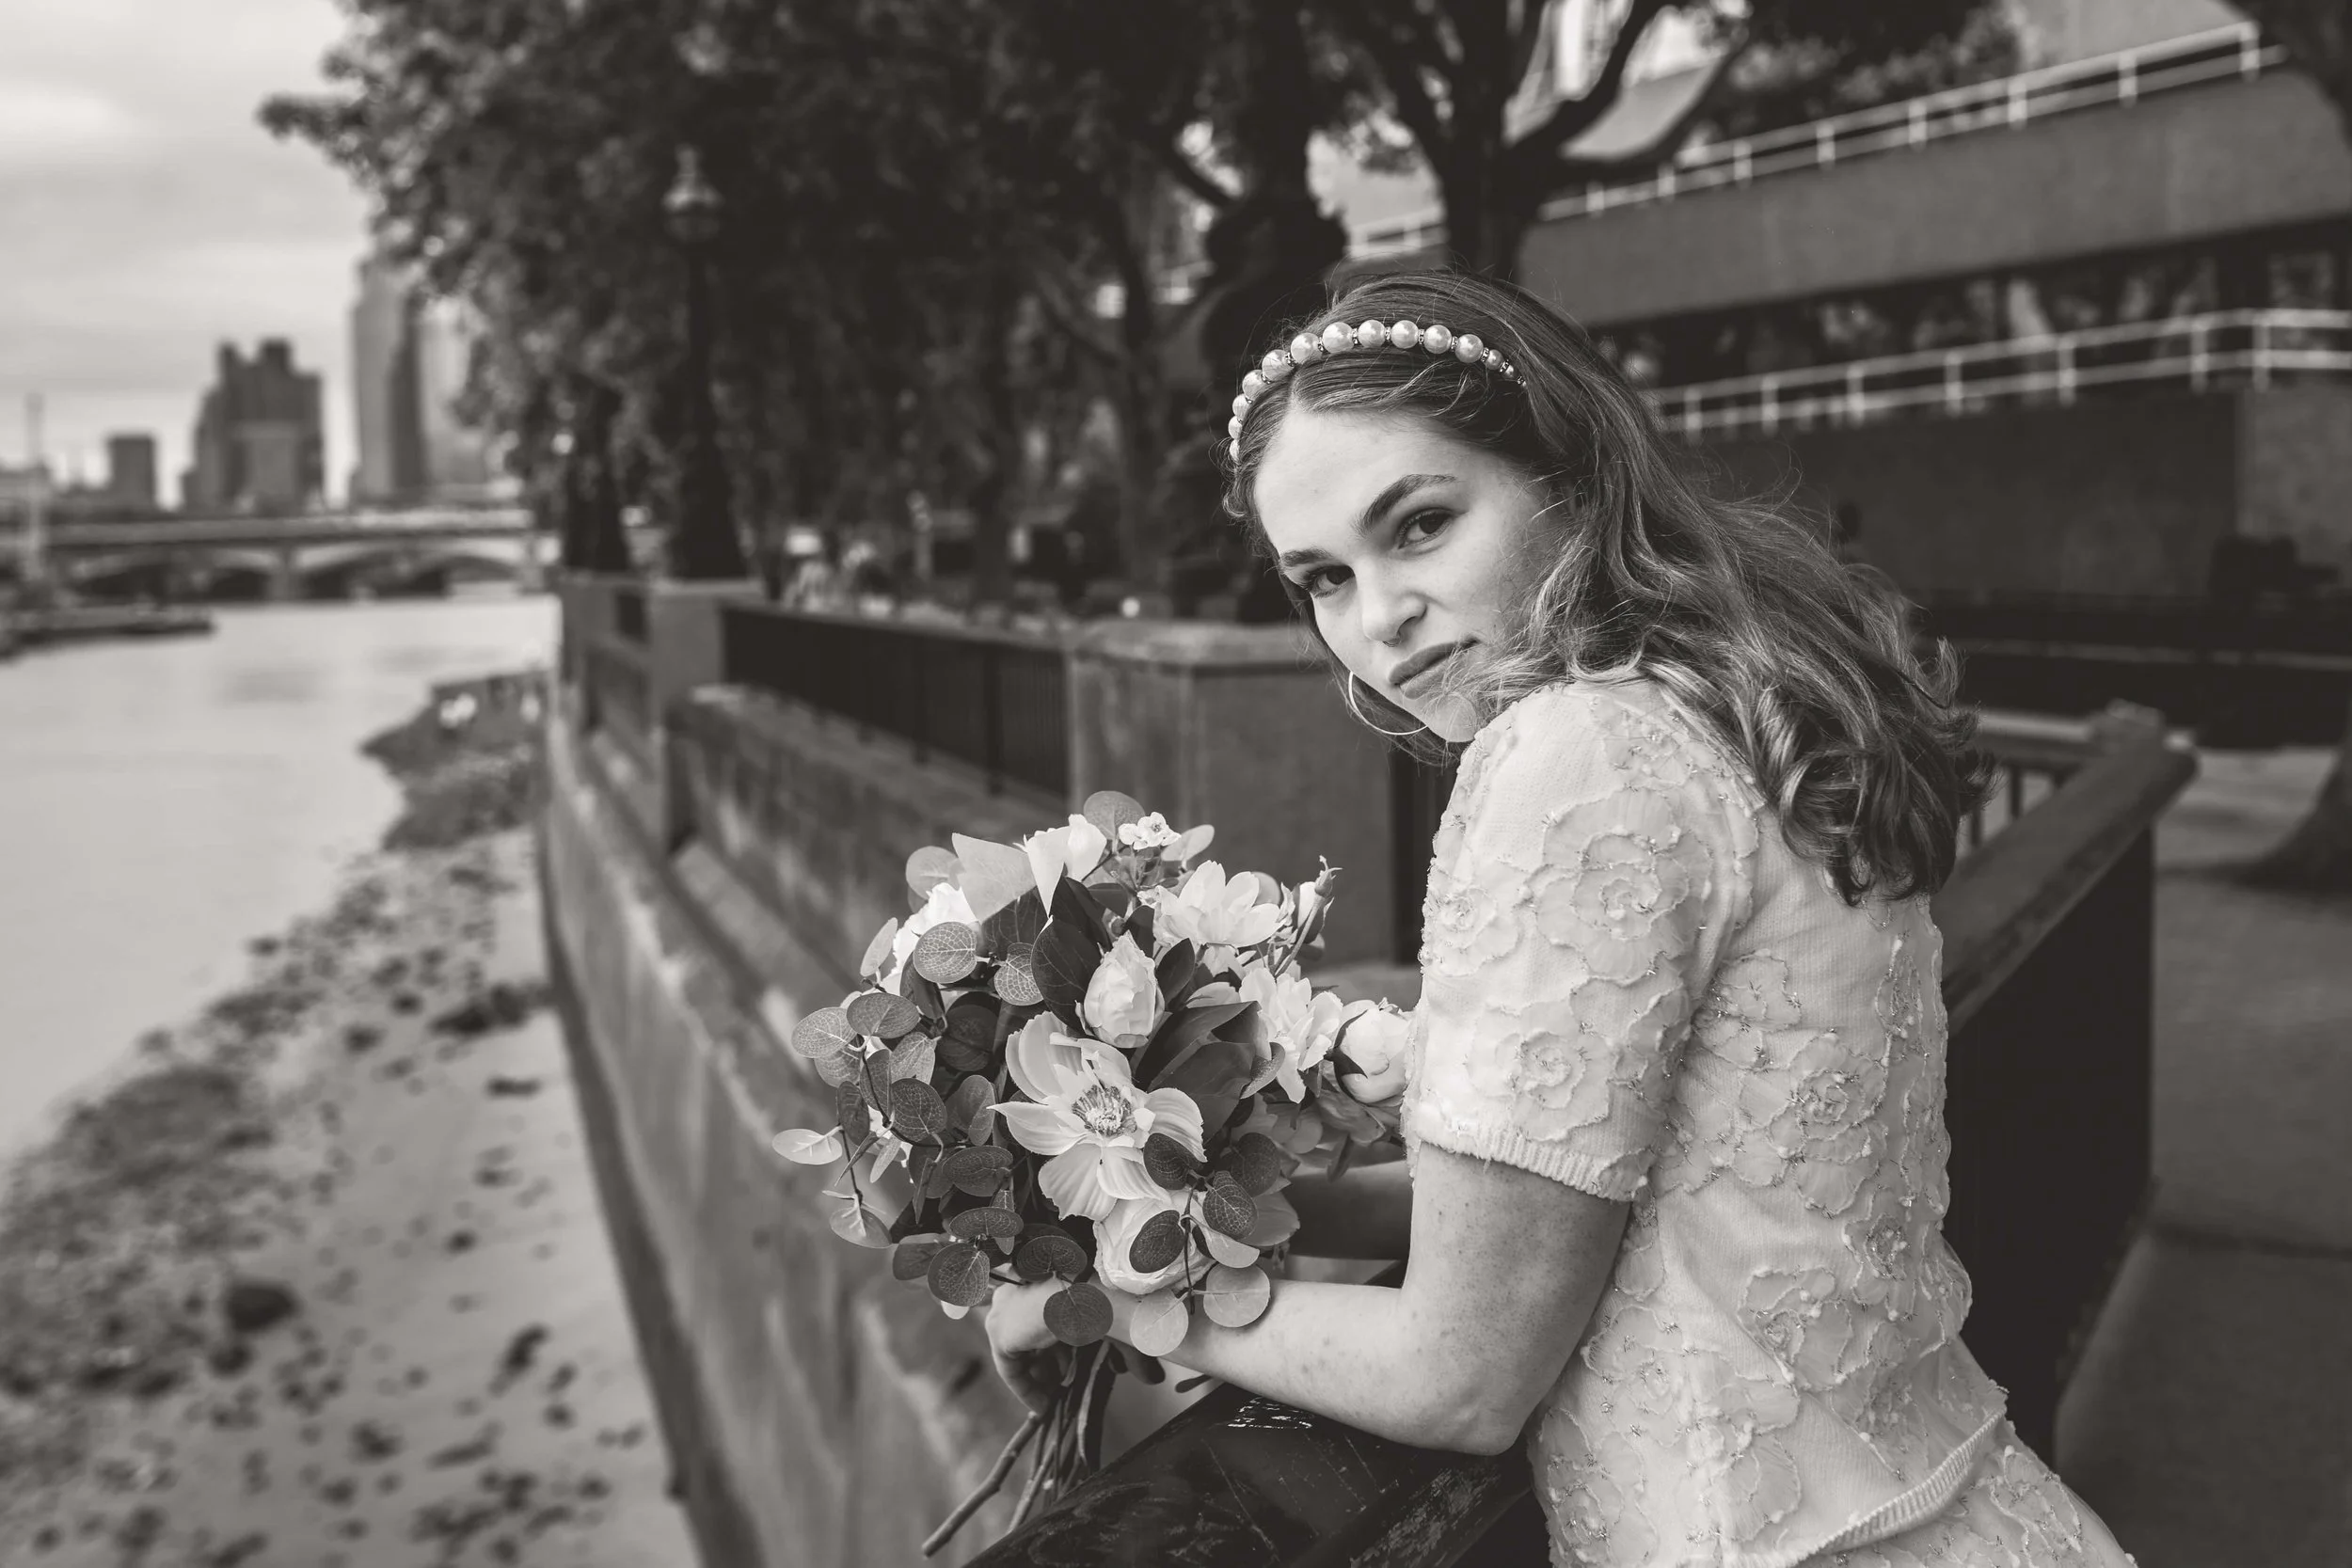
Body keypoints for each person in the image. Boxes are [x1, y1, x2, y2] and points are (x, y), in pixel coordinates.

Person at [984, 272, 2137, 1566]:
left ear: (1570, 479)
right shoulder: (1732, 706)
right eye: (1321, 576)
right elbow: (1612, 1198)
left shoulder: (1573, 756)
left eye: (1419, 523)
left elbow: (1460, 1374)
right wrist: (1212, 1212)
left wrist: (1124, 1303)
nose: (1378, 618)